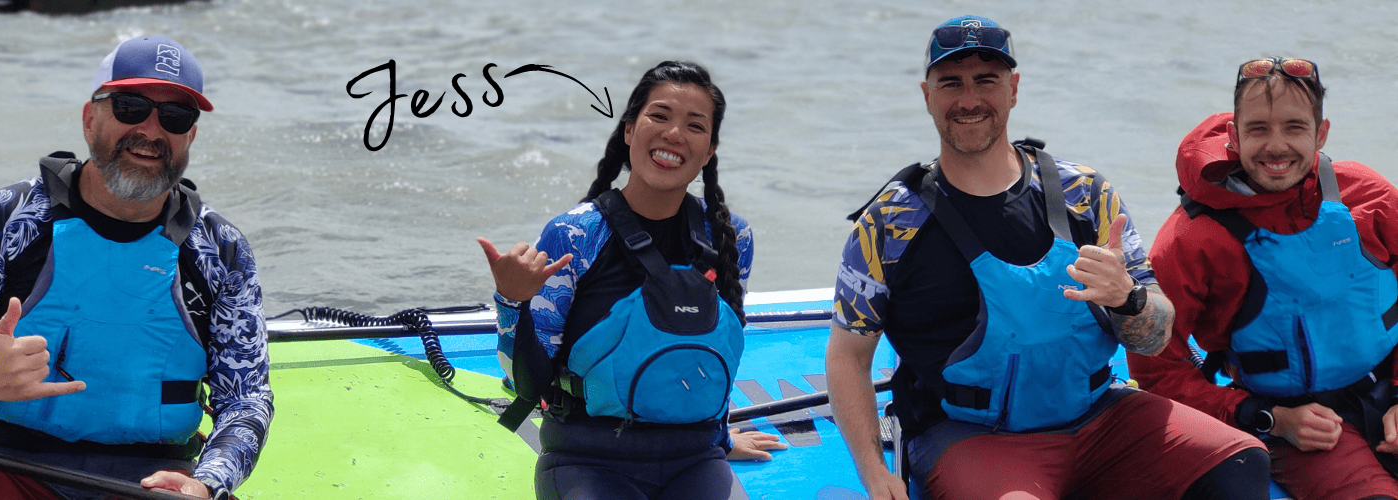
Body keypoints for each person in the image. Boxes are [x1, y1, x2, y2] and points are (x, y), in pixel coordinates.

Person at [826, 15, 1272, 500]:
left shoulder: (1086, 193)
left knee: (1242, 460)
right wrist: (874, 472)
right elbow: (849, 355)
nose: (970, 100)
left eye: (987, 81)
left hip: (1099, 418)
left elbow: (1156, 335)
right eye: (951, 83)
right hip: (971, 434)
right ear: (926, 93)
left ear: (1013, 89)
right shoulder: (890, 222)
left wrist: (1129, 299)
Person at [0, 36, 272, 500]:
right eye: (130, 107)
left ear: (190, 136)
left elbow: (246, 399)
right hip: (2, 469)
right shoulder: (7, 219)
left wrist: (208, 481)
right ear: (89, 118)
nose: (152, 132)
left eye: (175, 117)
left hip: (155, 485)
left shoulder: (221, 250)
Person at [477, 61, 784, 500]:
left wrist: (722, 439)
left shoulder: (730, 237)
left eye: (694, 126)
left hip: (696, 460)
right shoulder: (575, 235)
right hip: (589, 461)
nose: (674, 134)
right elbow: (524, 385)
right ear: (628, 130)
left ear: (710, 149)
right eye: (659, 116)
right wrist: (512, 300)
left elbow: (718, 351)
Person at [1127, 56, 1398, 500]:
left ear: (1321, 132)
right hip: (1293, 424)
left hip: (1387, 390)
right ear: (1233, 135)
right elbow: (1156, 372)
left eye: (1294, 127)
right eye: (1258, 130)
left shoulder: (1367, 195)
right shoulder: (1192, 238)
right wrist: (1267, 416)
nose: (1276, 147)